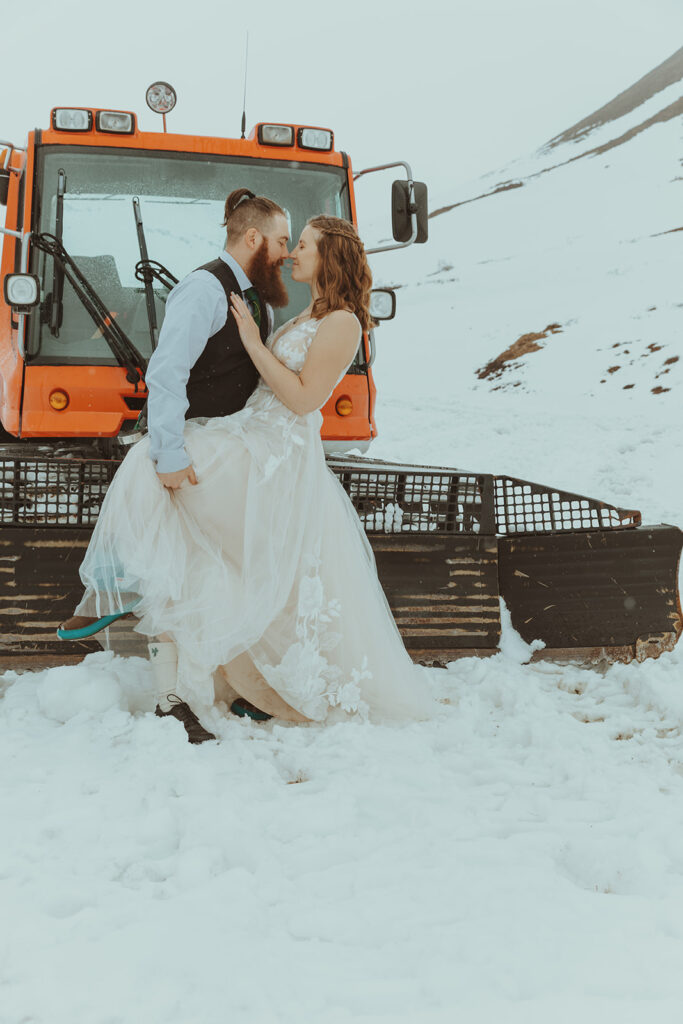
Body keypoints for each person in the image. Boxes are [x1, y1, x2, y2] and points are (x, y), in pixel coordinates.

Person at [61, 213, 435, 742]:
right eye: (290, 242)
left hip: (273, 452)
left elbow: (305, 397)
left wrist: (254, 342)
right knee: (192, 521)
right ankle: (138, 592)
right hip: (250, 433)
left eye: (301, 245)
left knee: (153, 462)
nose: (291, 253)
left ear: (330, 257)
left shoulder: (345, 322)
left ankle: (117, 579)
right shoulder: (305, 312)